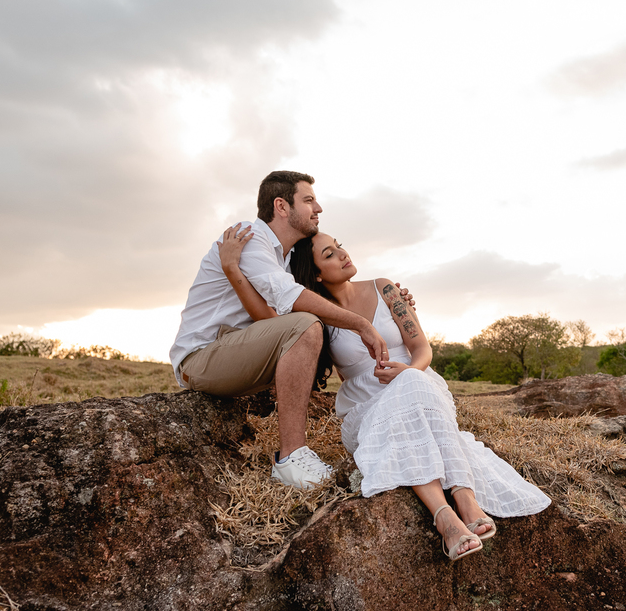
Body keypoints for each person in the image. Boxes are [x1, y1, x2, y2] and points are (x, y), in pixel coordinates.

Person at [218, 229, 551, 561]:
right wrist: (233, 268)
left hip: (422, 386)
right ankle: (458, 508)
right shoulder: (317, 314)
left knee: (413, 389)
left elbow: (421, 348)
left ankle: (453, 510)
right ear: (315, 272)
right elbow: (269, 319)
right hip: (366, 407)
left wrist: (410, 372)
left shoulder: (385, 287)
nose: (343, 254)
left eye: (340, 246)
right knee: (413, 417)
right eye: (329, 254)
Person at [169, 171, 399, 492]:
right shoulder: (249, 236)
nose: (317, 207)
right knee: (306, 324)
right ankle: (290, 458)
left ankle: (296, 455)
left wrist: (390, 302)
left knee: (304, 323)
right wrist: (361, 324)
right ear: (281, 206)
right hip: (202, 358)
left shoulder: (286, 258)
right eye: (308, 200)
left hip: (237, 355)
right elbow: (291, 304)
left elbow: (270, 317)